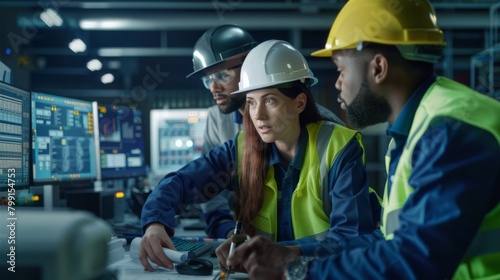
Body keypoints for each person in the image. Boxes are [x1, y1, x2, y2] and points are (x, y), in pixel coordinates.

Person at [226, 0, 500, 279]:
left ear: (378, 67)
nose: (338, 83)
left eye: (341, 69)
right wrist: (289, 253)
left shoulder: (451, 130)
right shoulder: (410, 135)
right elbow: (388, 243)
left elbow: (417, 260)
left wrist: (296, 271)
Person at [139, 39, 379, 272]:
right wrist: (155, 224)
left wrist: (277, 253)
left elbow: (351, 239)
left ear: (299, 103)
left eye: (270, 101)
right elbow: (182, 182)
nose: (259, 115)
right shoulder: (243, 148)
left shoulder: (338, 146)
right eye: (252, 103)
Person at [186, 24, 345, 239]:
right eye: (208, 80)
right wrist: (225, 229)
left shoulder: (325, 126)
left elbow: (346, 219)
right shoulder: (217, 120)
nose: (214, 88)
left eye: (222, 76)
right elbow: (210, 186)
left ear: (249, 69)